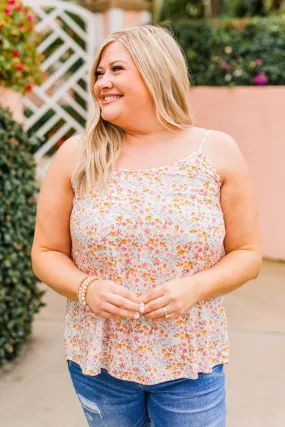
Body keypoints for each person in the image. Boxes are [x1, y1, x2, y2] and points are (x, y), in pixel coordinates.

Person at [31, 24, 262, 427]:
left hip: (190, 361)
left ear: (156, 71)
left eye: (116, 69)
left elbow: (247, 254)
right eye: (99, 73)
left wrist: (195, 287)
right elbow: (46, 252)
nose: (103, 82)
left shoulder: (216, 152)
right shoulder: (76, 155)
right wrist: (87, 288)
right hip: (99, 363)